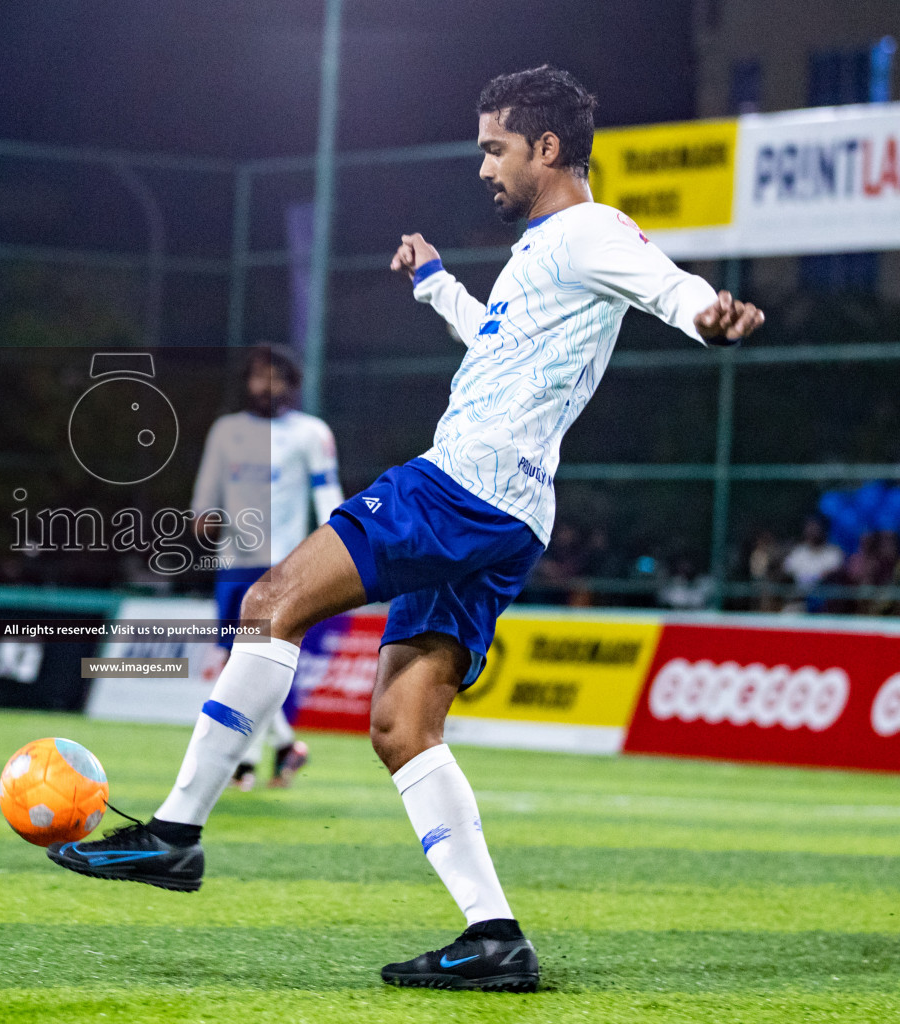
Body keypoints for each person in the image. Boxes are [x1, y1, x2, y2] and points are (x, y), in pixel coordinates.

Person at [46, 65, 764, 992]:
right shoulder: (549, 247)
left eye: (493, 148)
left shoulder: (587, 230)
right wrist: (435, 286)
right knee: (400, 725)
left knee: (270, 603)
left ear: (547, 149)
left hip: (460, 489)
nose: (481, 169)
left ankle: (176, 833)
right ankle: (495, 937)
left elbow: (667, 286)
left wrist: (708, 312)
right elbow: (505, 346)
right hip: (510, 511)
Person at [190, 344, 342, 790]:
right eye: (258, 376)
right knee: (235, 661)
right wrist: (203, 517)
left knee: (259, 661)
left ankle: (247, 761)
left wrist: (335, 552)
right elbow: (205, 497)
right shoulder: (226, 431)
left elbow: (327, 497)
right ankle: (282, 747)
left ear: (292, 384)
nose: (266, 385)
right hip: (233, 565)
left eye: (275, 376)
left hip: (283, 567)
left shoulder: (311, 433)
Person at [782, 517, 843, 612]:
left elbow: (833, 574)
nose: (812, 532)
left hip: (826, 603)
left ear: (823, 530)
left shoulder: (833, 553)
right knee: (788, 613)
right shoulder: (798, 552)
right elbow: (786, 572)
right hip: (800, 601)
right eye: (810, 528)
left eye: (816, 529)